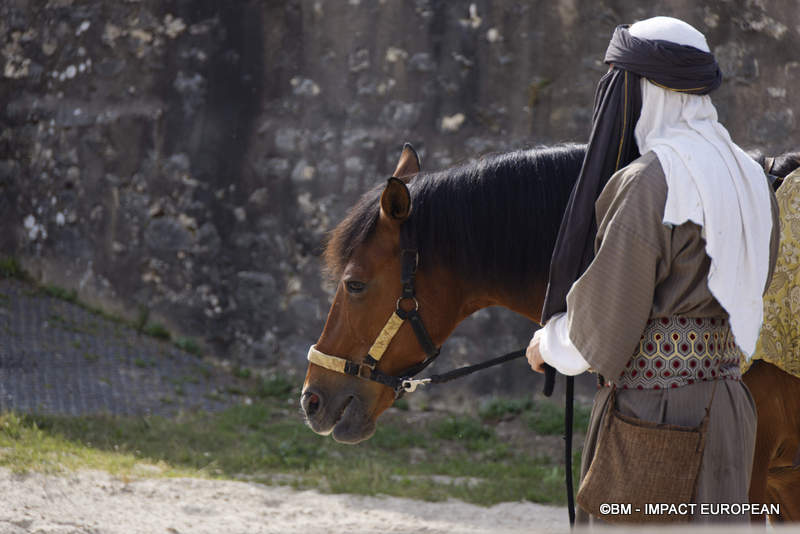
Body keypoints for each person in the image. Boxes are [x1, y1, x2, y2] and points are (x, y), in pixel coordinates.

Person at [525, 16, 779, 523]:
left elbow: (607, 318)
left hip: (657, 415)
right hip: (731, 410)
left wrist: (549, 344)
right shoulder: (752, 174)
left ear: (647, 89)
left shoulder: (650, 181)